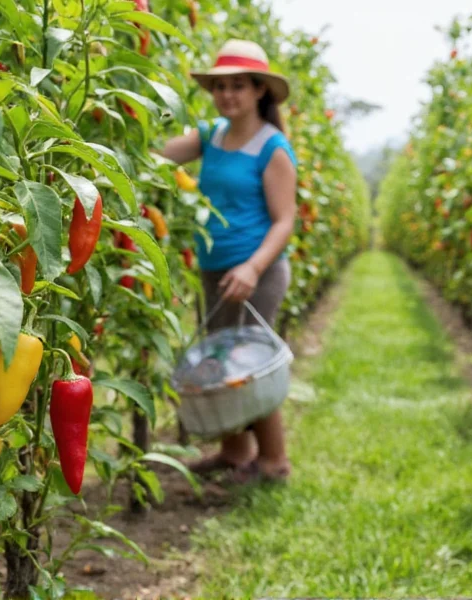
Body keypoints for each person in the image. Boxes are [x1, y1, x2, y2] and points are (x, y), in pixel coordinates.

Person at [161, 39, 298, 483]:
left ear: (260, 90)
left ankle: (274, 461)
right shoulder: (211, 135)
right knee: (223, 359)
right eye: (220, 87)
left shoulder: (271, 147)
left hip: (256, 270)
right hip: (215, 268)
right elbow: (157, 156)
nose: (227, 95)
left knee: (251, 363)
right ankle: (236, 452)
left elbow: (284, 221)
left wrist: (253, 267)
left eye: (238, 86)